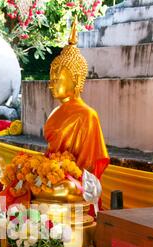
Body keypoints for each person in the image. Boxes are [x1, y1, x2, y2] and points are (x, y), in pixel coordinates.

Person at [44, 18, 109, 180]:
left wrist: (68, 175)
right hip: (53, 176)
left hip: (75, 181)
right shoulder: (55, 112)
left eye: (57, 80)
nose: (51, 85)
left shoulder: (88, 115)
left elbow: (89, 167)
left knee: (65, 190)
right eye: (51, 80)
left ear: (76, 79)